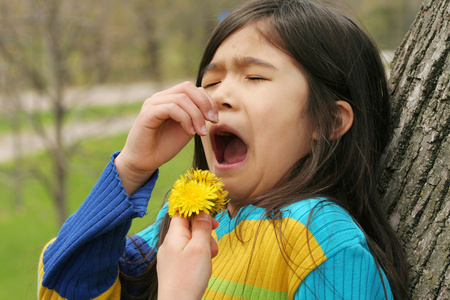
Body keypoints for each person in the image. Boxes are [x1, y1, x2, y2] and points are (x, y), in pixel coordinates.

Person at [38, 0, 410, 299]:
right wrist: (132, 168)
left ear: (328, 121)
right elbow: (68, 287)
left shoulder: (323, 242)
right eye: (211, 81)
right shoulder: (185, 222)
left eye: (255, 77)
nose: (220, 97)